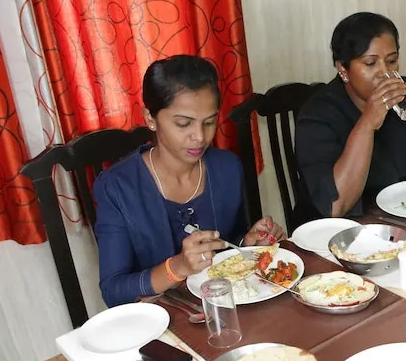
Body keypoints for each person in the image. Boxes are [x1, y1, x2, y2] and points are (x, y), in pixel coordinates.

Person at [95, 55, 284, 307]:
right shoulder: (117, 187)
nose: (199, 137)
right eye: (183, 124)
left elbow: (226, 246)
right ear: (150, 118)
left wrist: (246, 244)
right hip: (163, 320)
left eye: (209, 122)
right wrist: (177, 267)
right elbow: (113, 291)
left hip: (226, 308)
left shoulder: (227, 168)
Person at [295, 12, 406, 218]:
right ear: (343, 68)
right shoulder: (317, 115)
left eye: (392, 61)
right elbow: (336, 205)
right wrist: (368, 122)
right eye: (370, 63)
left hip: (400, 215)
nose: (384, 73)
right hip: (339, 229)